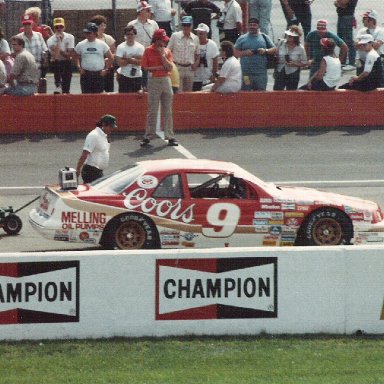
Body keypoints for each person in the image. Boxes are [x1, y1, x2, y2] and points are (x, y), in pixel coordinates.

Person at [140, 29, 177, 147]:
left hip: (166, 80)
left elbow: (169, 67)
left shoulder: (167, 51)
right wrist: (159, 67)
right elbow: (145, 67)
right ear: (156, 40)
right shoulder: (148, 50)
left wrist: (162, 55)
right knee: (152, 109)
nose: (164, 43)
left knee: (168, 110)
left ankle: (170, 136)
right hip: (154, 81)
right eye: (162, 40)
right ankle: (148, 135)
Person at [234, 17, 276, 91]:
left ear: (258, 26)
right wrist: (245, 53)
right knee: (245, 93)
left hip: (261, 74)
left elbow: (274, 50)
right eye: (250, 25)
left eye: (254, 25)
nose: (252, 27)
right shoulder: (242, 38)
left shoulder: (264, 37)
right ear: (247, 26)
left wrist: (265, 51)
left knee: (260, 94)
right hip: (246, 74)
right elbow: (235, 53)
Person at [76, 114, 118, 184]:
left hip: (98, 172)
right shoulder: (94, 135)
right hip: (91, 171)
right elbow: (85, 154)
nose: (112, 129)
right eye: (110, 127)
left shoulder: (104, 136)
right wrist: (78, 170)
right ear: (104, 124)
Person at [74, 22, 113, 94]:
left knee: (98, 97)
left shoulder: (102, 44)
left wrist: (106, 69)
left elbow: (110, 57)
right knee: (86, 96)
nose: (87, 34)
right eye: (86, 33)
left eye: (89, 33)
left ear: (95, 33)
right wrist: (79, 68)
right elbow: (75, 56)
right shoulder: (81, 44)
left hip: (98, 74)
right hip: (86, 74)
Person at [128, 1, 159, 91]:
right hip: (138, 57)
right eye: (147, 10)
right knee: (138, 81)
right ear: (140, 11)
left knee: (151, 82)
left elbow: (157, 39)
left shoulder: (153, 24)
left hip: (151, 56)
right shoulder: (132, 24)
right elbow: (128, 41)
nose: (150, 12)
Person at [168, 16, 200, 92]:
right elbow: (168, 51)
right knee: (178, 92)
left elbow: (197, 54)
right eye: (184, 25)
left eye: (188, 25)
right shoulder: (175, 36)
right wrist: (171, 65)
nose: (186, 27)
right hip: (177, 67)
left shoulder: (195, 38)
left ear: (192, 26)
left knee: (188, 93)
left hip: (189, 69)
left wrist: (196, 64)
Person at [16, 15, 48, 86]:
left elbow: (45, 51)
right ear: (22, 25)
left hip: (38, 69)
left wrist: (44, 68)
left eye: (28, 24)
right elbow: (13, 54)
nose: (27, 26)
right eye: (25, 24)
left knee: (39, 94)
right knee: (26, 93)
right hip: (24, 70)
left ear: (32, 24)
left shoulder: (39, 35)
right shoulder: (18, 38)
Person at [274, 25, 307, 90]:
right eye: (288, 35)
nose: (288, 37)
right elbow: (276, 55)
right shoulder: (281, 43)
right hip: (280, 71)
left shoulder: (300, 48)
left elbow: (304, 62)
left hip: (293, 73)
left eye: (291, 36)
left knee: (291, 93)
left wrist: (295, 63)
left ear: (296, 38)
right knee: (277, 92)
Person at [46, 17, 75, 94]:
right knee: (58, 85)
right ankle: (58, 86)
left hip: (66, 62)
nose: (59, 29)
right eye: (56, 27)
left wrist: (58, 49)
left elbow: (68, 55)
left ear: (64, 27)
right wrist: (59, 42)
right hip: (57, 63)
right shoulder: (50, 40)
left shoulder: (70, 37)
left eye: (61, 27)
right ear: (54, 28)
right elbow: (54, 56)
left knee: (66, 85)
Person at [90, 14, 116, 93]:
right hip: (95, 68)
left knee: (109, 90)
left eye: (104, 25)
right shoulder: (90, 39)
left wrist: (108, 60)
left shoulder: (108, 38)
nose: (103, 27)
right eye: (101, 25)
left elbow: (114, 53)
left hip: (107, 67)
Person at [115, 26, 145, 93]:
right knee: (124, 98)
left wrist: (127, 59)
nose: (130, 36)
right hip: (124, 76)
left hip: (137, 76)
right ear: (125, 35)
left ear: (135, 35)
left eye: (132, 34)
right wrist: (134, 58)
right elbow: (120, 63)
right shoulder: (120, 47)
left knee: (136, 99)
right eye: (128, 34)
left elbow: (141, 62)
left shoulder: (140, 47)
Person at [355, 10, 384, 76]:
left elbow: (376, 46)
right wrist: (369, 44)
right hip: (362, 61)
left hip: (375, 62)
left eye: (364, 19)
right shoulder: (361, 31)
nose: (362, 20)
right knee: (360, 82)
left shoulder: (381, 31)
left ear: (371, 20)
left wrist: (362, 43)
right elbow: (356, 45)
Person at [193, 23, 219, 91]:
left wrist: (214, 75)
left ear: (206, 34)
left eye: (201, 34)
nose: (199, 36)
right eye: (198, 33)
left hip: (207, 77)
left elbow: (215, 61)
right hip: (195, 77)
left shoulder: (212, 44)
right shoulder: (193, 43)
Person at [334, 0, 358, 71]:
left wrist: (339, 3)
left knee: (348, 40)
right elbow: (336, 3)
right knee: (341, 40)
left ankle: (351, 63)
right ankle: (342, 62)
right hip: (341, 16)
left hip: (347, 17)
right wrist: (340, 4)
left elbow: (343, 2)